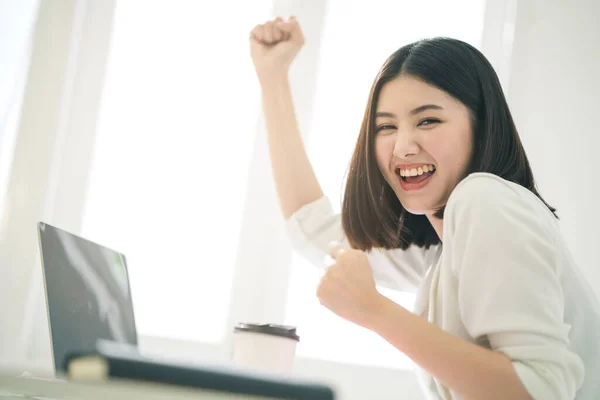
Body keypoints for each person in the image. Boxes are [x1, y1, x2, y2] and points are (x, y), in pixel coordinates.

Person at [249, 17, 600, 400]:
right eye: (385, 127)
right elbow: (313, 230)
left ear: (481, 125)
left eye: (428, 120)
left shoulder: (484, 200)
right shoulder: (443, 251)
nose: (402, 147)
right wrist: (273, 78)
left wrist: (375, 311)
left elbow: (538, 392)